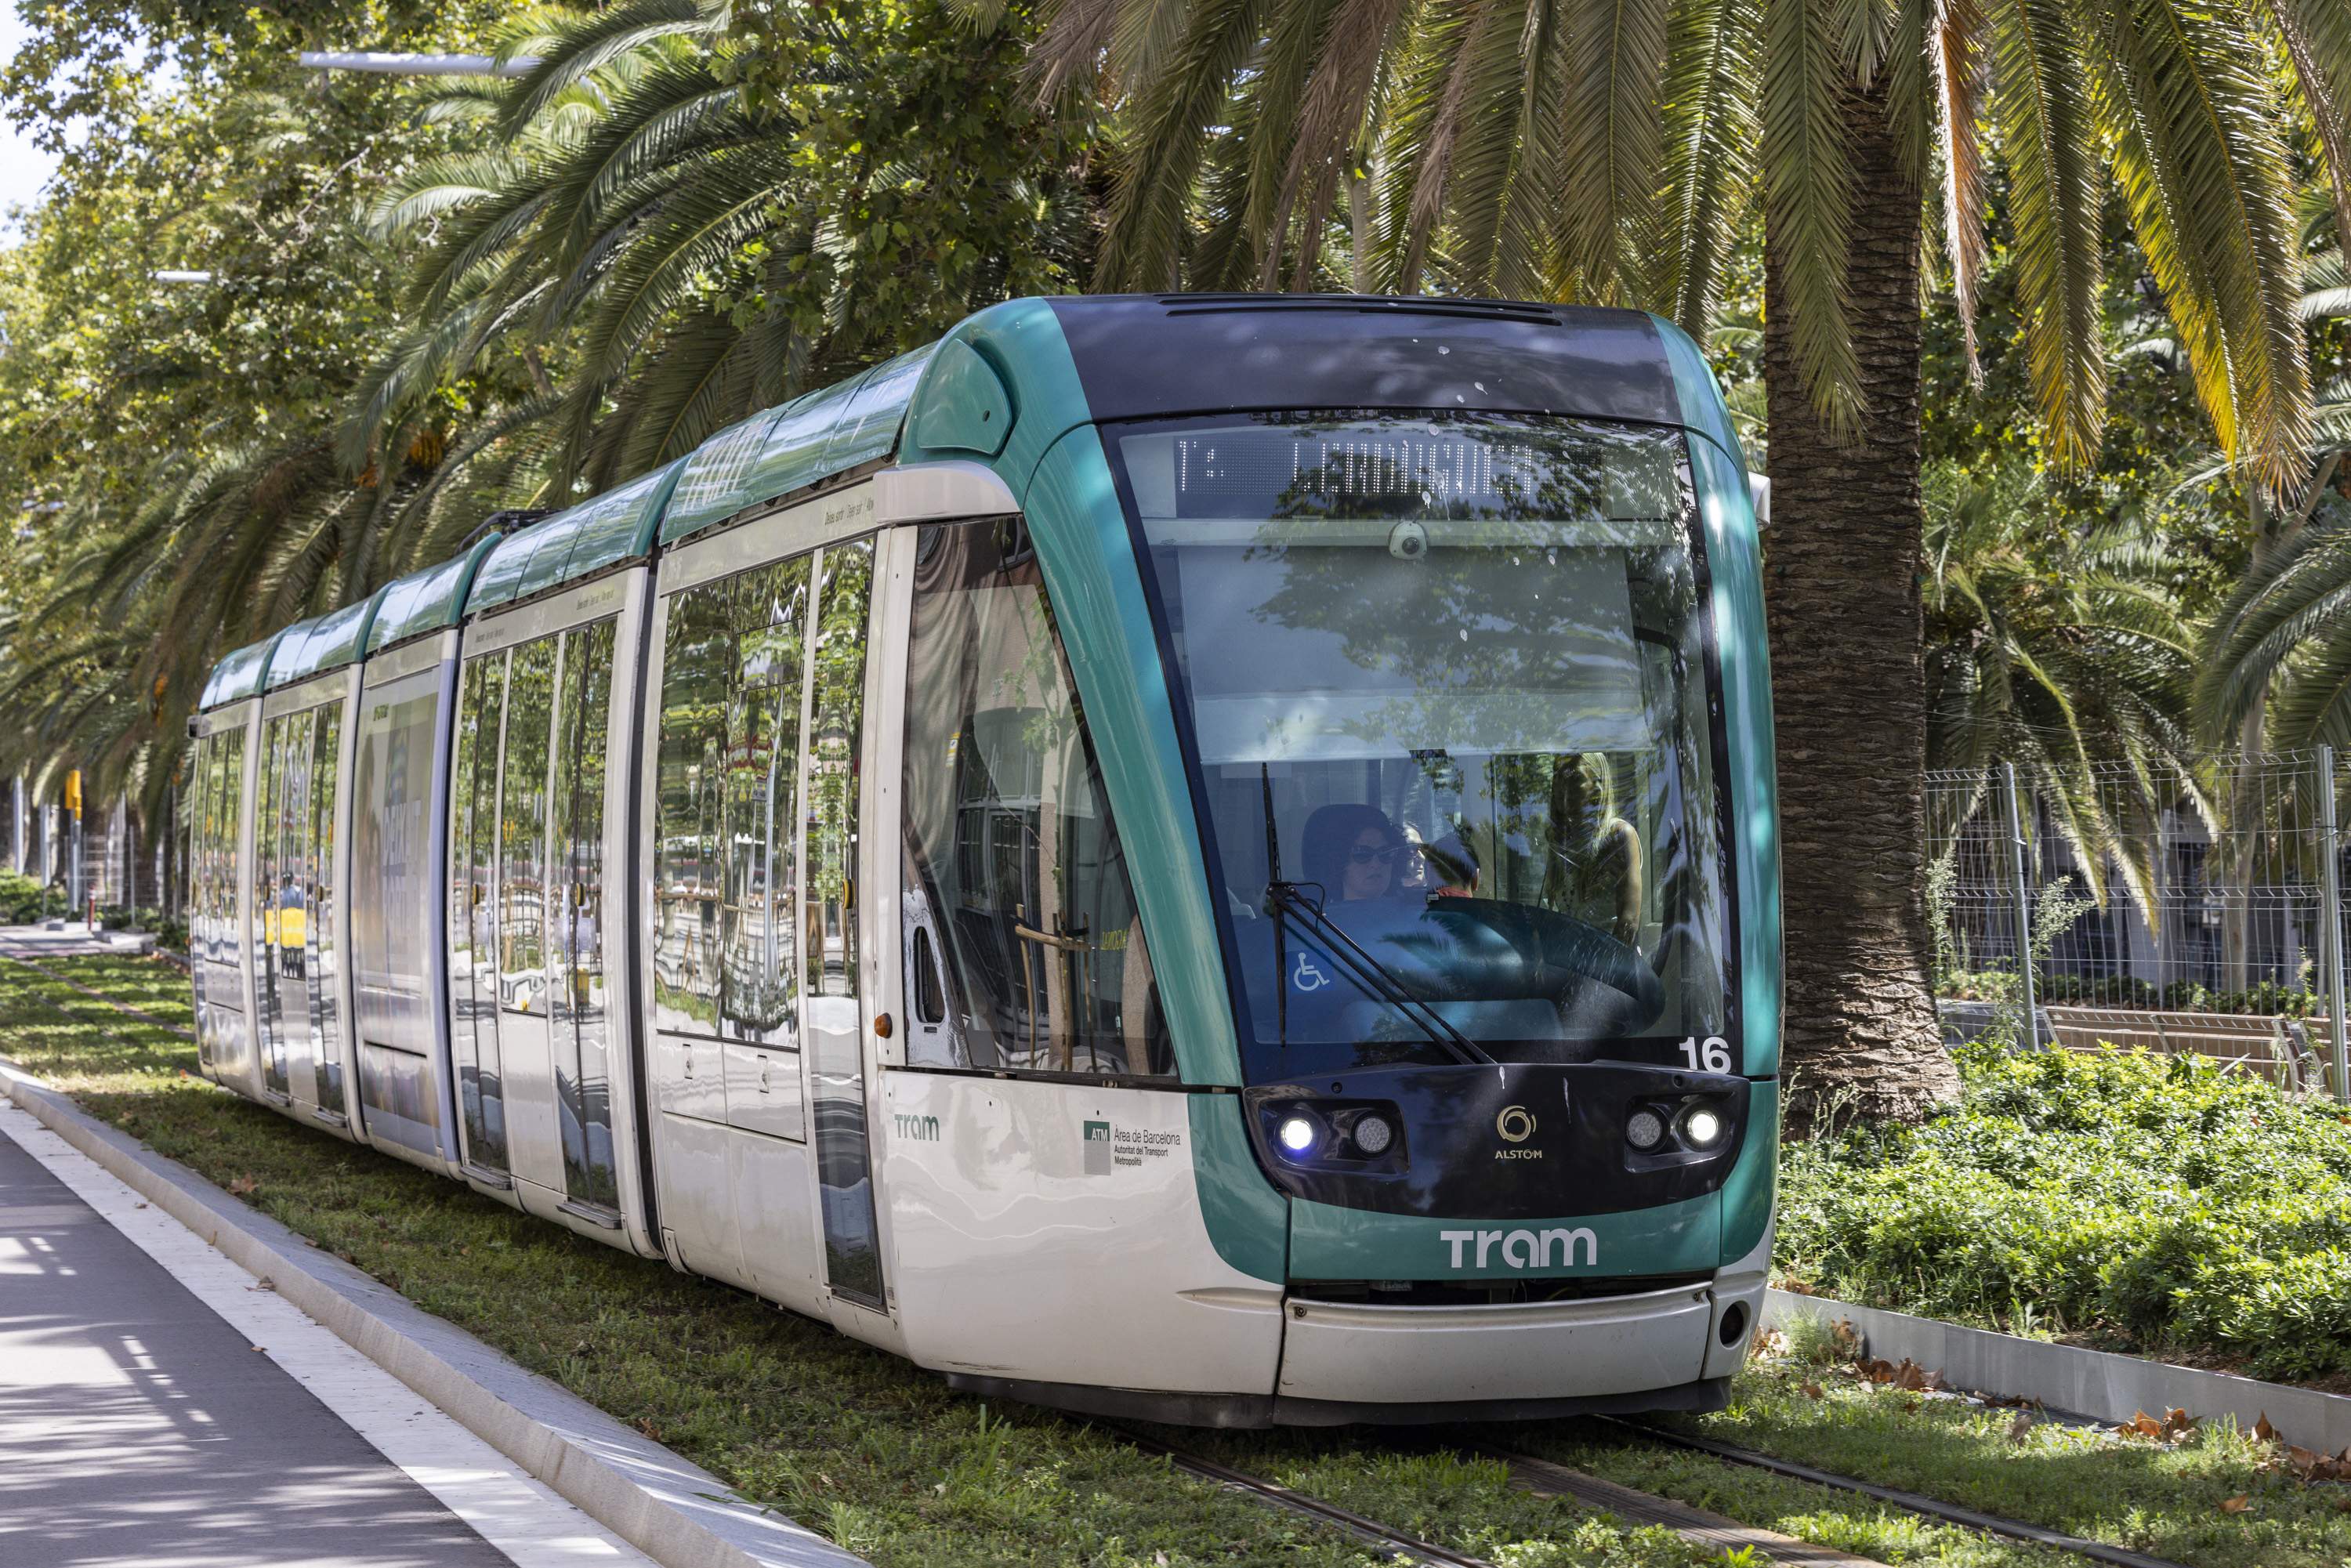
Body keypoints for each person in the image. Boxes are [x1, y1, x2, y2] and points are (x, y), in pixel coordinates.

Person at [1300, 804, 1414, 904]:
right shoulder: (1314, 922)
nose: (1376, 864)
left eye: (1386, 853)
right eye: (1363, 854)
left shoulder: (1416, 914)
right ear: (1339, 860)